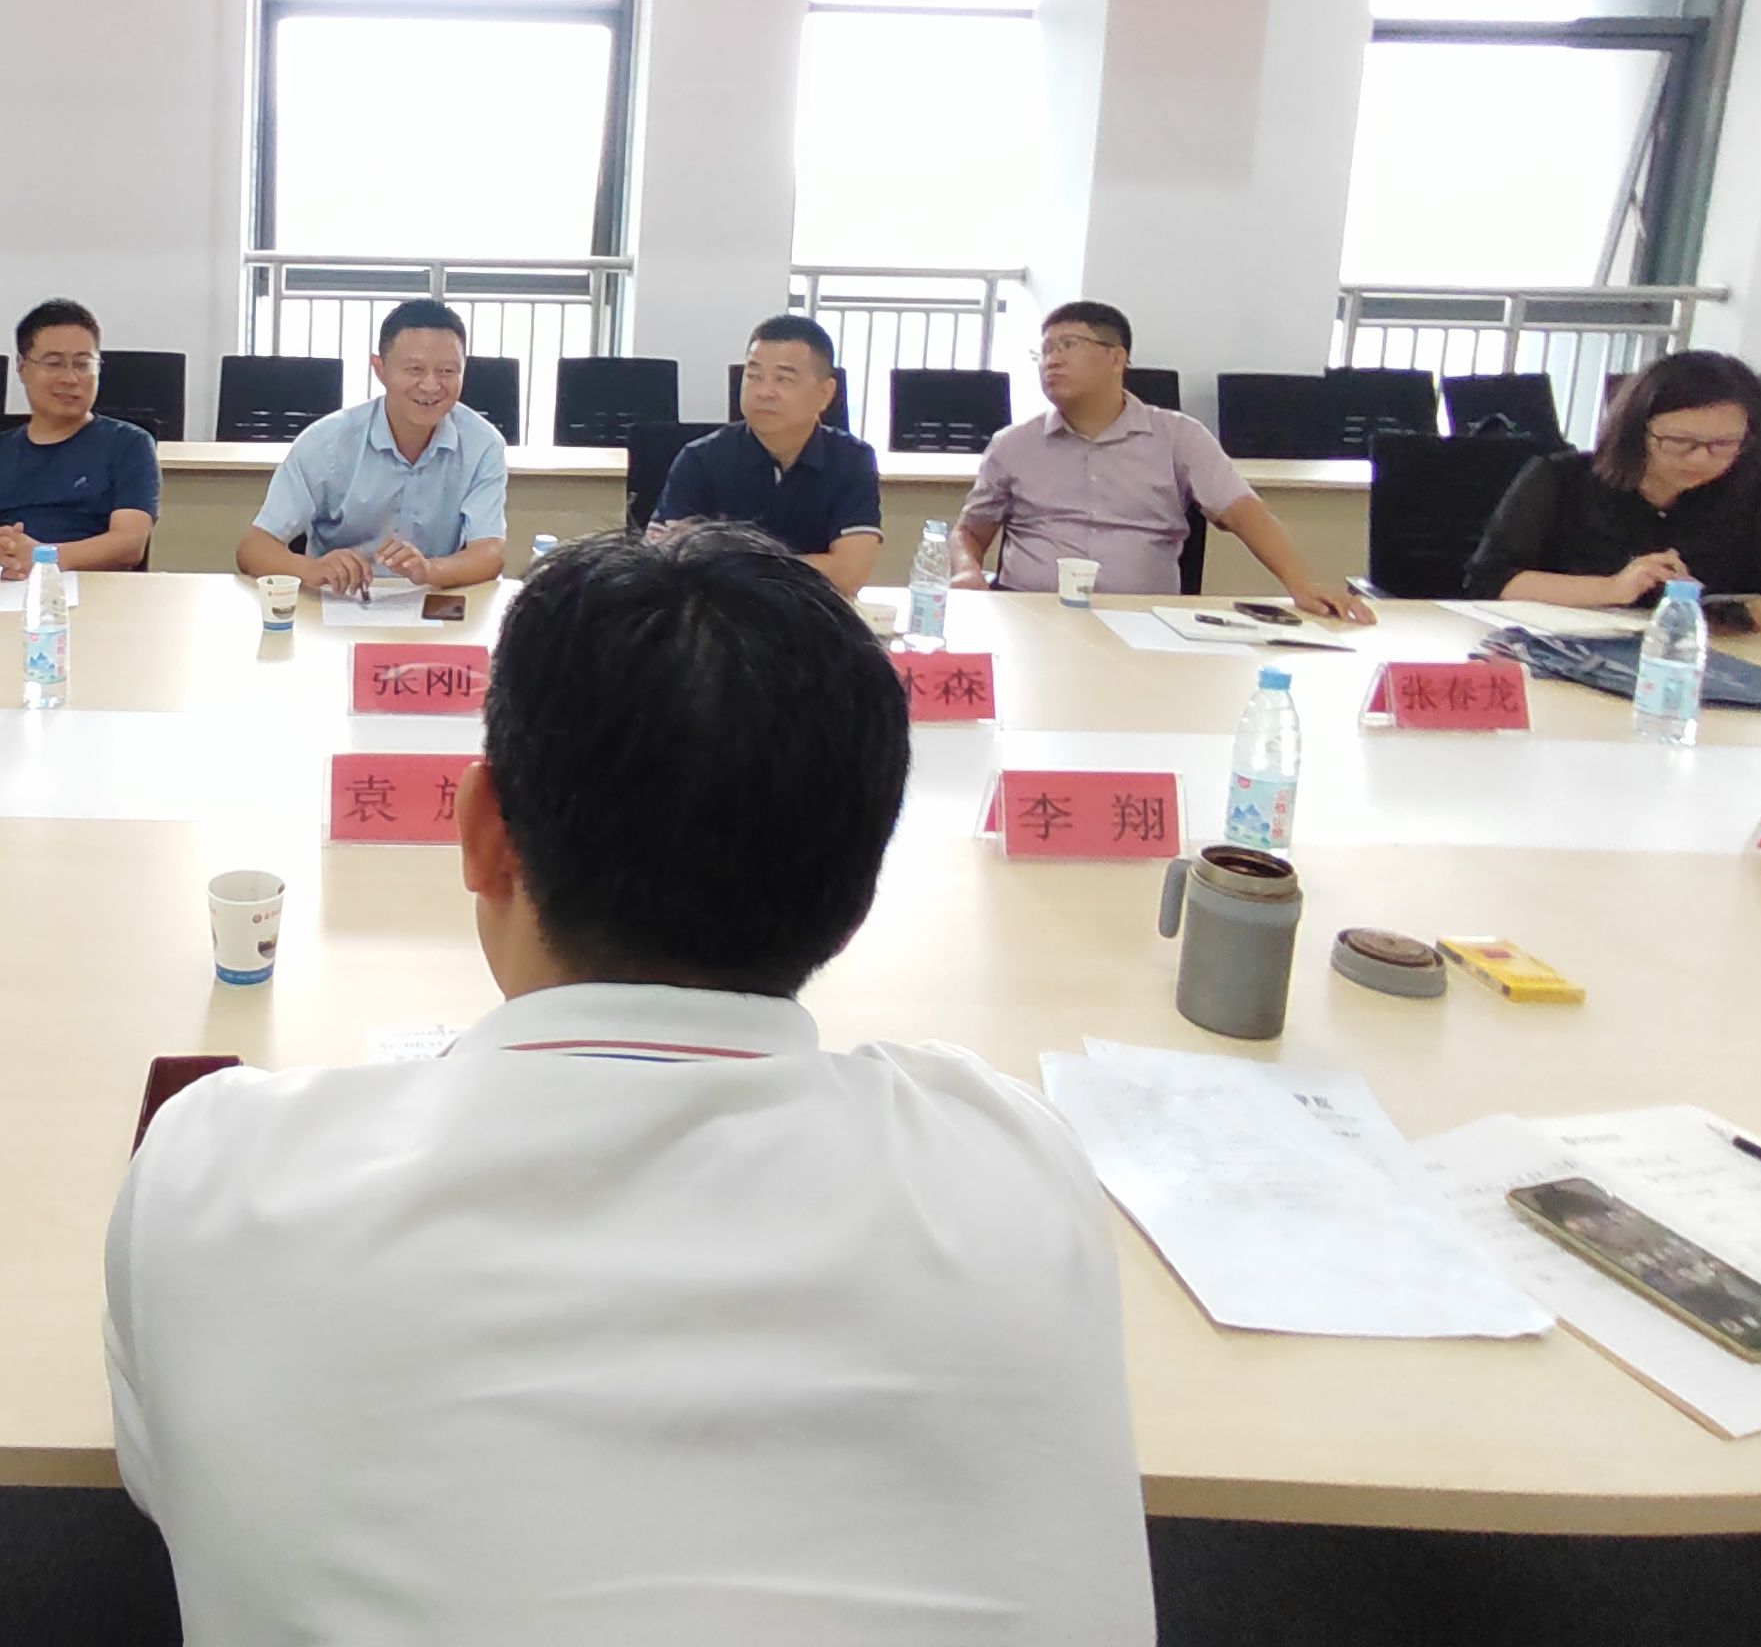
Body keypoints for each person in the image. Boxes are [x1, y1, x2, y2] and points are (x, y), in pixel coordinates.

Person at [111, 528, 1154, 1644]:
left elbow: (163, 1482)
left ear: (483, 834)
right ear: (859, 888)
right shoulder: (1015, 1169)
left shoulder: (220, 1182)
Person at [955, 301, 1374, 622]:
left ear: (1117, 359)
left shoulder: (1178, 436)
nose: (1052, 360)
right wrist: (967, 572)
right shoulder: (1012, 445)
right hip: (1031, 615)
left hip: (1146, 620)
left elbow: (1244, 512)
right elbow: (969, 532)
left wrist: (1300, 584)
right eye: (1045, 350)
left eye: (1068, 345)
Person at [1466, 349, 1761, 631]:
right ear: (1636, 430)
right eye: (1680, 442)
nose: (1701, 459)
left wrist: (1730, 616)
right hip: (1569, 650)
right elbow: (1492, 581)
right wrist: (1613, 589)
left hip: (1711, 662)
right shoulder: (1559, 479)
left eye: (1724, 444)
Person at [236, 301, 508, 593]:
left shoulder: (483, 445)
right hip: (339, 601)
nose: (431, 386)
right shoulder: (326, 442)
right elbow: (254, 549)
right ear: (379, 369)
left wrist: (430, 570)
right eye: (415, 369)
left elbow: (490, 553)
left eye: (447, 371)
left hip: (431, 601)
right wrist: (312, 569)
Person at [652, 314, 885, 592]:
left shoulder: (852, 460)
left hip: (813, 613)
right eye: (753, 376)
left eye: (783, 379)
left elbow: (848, 574)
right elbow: (665, 563)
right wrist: (811, 565)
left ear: (825, 393)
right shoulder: (701, 458)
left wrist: (726, 559)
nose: (764, 392)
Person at [0, 298, 159, 576]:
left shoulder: (129, 444)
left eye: (83, 364)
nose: (70, 378)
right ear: (22, 368)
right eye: (54, 363)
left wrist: (42, 557)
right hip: (3, 584)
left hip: (92, 588)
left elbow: (129, 543)